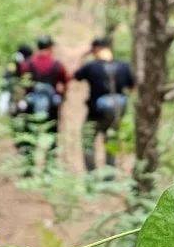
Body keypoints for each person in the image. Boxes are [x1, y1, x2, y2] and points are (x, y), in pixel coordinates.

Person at [73, 37, 135, 172]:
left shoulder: (91, 66)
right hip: (117, 112)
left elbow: (76, 75)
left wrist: (82, 57)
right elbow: (133, 86)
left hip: (95, 113)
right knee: (111, 142)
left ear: (95, 49)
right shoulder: (123, 66)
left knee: (88, 140)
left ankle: (91, 174)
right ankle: (109, 175)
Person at [20, 35, 69, 174]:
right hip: (51, 108)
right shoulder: (57, 65)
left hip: (31, 107)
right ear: (50, 48)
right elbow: (65, 82)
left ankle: (29, 169)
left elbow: (23, 83)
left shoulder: (27, 64)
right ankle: (49, 168)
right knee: (51, 136)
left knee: (30, 136)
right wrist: (61, 97)